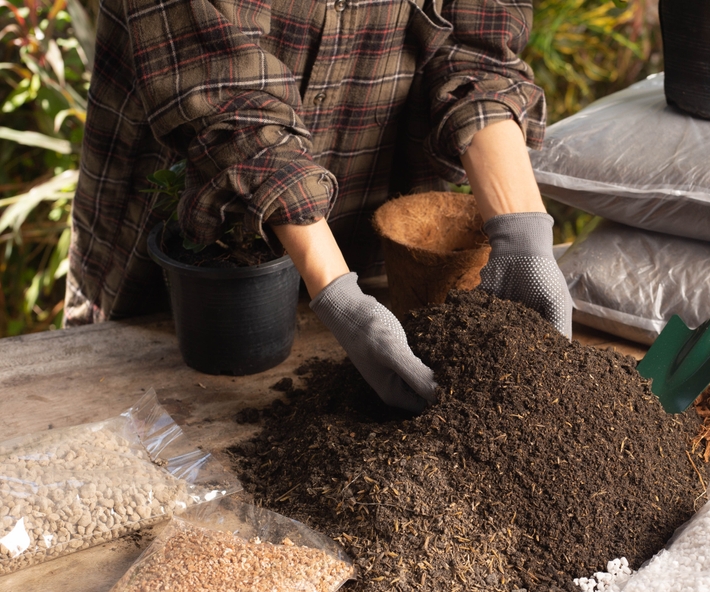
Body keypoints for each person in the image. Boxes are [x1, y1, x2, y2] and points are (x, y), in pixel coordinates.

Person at [65, 0, 572, 412]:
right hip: (196, 255)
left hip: (369, 235)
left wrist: (522, 236)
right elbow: (222, 89)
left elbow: (476, 52)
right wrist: (340, 297)